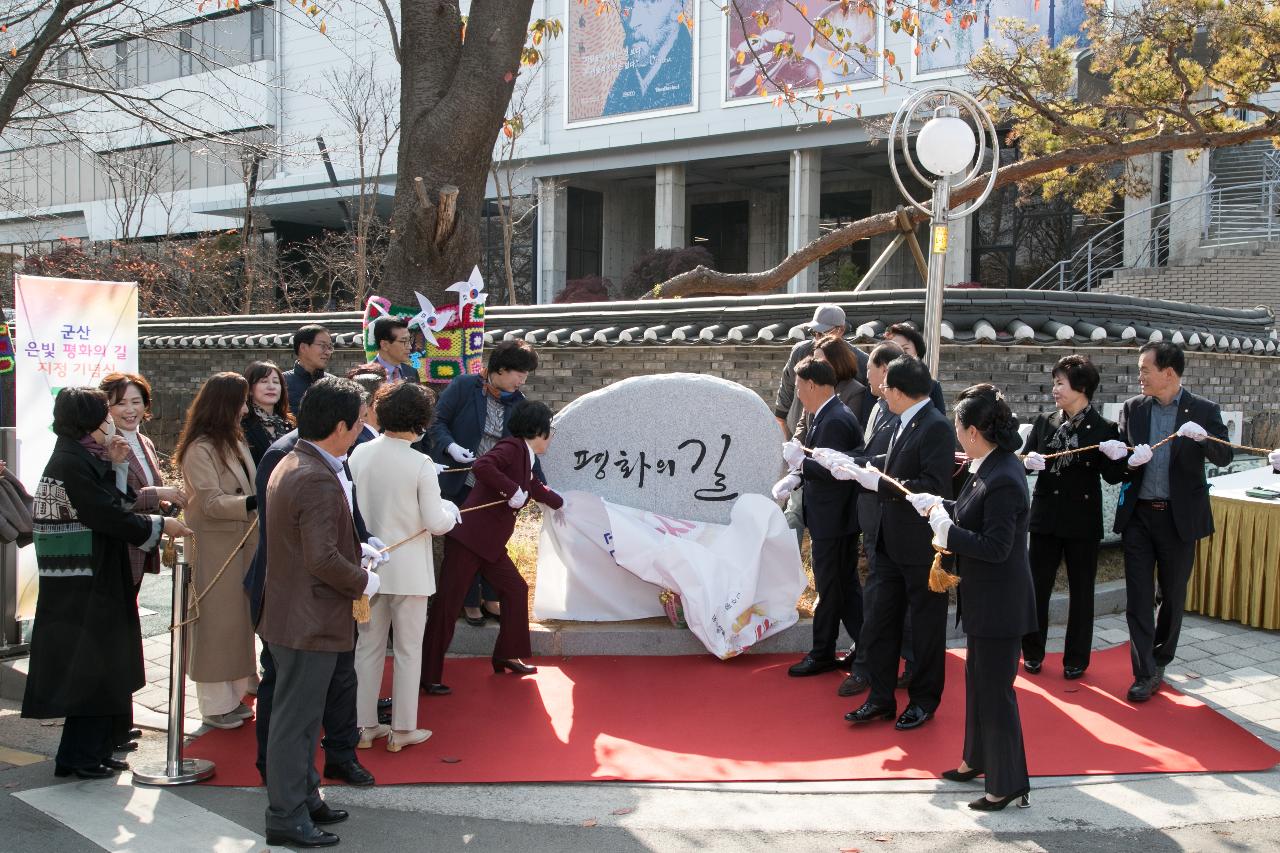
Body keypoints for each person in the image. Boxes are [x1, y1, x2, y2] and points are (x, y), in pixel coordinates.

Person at [22, 388, 190, 779]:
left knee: (101, 667)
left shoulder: (78, 455)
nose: (112, 419)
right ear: (91, 421)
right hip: (83, 581)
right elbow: (109, 515)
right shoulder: (71, 460)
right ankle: (79, 756)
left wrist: (115, 465)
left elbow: (113, 504)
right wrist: (161, 525)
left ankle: (95, 750)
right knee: (91, 668)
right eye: (105, 413)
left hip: (89, 577)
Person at [245, 378, 383, 788]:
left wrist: (361, 544)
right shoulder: (300, 464)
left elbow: (329, 526)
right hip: (302, 607)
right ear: (340, 425)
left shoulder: (317, 459)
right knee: (293, 713)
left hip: (320, 603)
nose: (362, 431)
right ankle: (284, 797)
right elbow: (308, 549)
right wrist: (362, 579)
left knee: (333, 688)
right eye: (359, 422)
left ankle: (315, 782)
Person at [907, 384, 1036, 812]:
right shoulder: (988, 465)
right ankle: (975, 760)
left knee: (996, 691)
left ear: (974, 431)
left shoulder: (1004, 478)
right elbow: (970, 511)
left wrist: (947, 530)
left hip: (1001, 603)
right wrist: (938, 506)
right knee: (979, 685)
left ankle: (1008, 782)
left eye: (959, 427)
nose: (956, 434)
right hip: (985, 600)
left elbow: (996, 546)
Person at [1099, 342, 1232, 703]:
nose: (1139, 376)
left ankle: (1161, 657)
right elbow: (1117, 464)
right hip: (1140, 515)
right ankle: (1143, 672)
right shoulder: (1133, 409)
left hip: (1178, 519)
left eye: (1145, 369)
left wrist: (1204, 439)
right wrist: (1125, 459)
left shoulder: (1203, 410)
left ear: (1168, 373)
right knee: (1139, 598)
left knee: (1172, 595)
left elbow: (1225, 455)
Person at [836, 355, 954, 731]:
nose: (882, 392)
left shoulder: (935, 425)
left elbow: (933, 485)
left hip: (919, 546)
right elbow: (894, 463)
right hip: (889, 541)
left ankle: (923, 700)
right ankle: (881, 698)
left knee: (924, 627)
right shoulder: (902, 420)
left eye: (886, 386)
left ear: (900, 391)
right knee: (881, 621)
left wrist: (879, 482)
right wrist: (861, 467)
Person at [421, 401, 564, 693]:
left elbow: (533, 486)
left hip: (489, 544)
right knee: (448, 606)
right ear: (537, 431)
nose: (551, 436)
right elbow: (483, 465)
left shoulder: (526, 456)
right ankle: (427, 674)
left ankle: (506, 655)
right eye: (550, 430)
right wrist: (511, 490)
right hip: (469, 540)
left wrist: (563, 503)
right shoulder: (512, 448)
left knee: (515, 589)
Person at [349, 382, 461, 750]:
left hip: (367, 567)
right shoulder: (420, 463)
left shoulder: (358, 454)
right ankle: (403, 728)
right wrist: (451, 511)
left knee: (367, 647)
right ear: (421, 420)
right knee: (409, 650)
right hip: (410, 570)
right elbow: (435, 521)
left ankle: (364, 726)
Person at [1019, 355, 1126, 679]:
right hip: (1045, 517)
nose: (1055, 389)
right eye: (1054, 382)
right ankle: (1032, 651)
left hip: (1081, 520)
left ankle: (1076, 658)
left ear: (1081, 387)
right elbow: (1025, 457)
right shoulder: (1044, 421)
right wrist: (1028, 461)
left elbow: (1113, 475)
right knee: (1037, 587)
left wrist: (1119, 456)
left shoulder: (1106, 429)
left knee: (1082, 591)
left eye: (1060, 383)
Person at [99, 372, 187, 751]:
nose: (131, 410)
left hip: (142, 543)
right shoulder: (103, 446)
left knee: (126, 634)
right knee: (115, 637)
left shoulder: (145, 441)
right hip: (118, 548)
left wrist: (166, 502)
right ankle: (113, 721)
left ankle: (122, 718)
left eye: (136, 402)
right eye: (121, 403)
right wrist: (161, 494)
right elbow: (115, 501)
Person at [428, 339, 541, 626]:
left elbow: (527, 448)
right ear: (500, 368)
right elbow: (437, 422)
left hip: (495, 487)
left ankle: (491, 598)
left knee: (493, 543)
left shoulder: (519, 403)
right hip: (460, 480)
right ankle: (468, 602)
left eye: (526, 375)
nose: (522, 380)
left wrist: (539, 487)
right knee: (463, 544)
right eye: (519, 373)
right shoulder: (464, 387)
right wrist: (450, 446)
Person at [828, 343, 915, 698]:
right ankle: (884, 658)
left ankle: (885, 663)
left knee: (888, 593)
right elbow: (869, 452)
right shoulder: (877, 405)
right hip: (870, 512)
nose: (866, 374)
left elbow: (891, 458)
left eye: (872, 369)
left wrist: (851, 462)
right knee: (881, 590)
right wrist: (848, 459)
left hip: (890, 514)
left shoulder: (902, 412)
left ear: (887, 371)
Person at [176, 372, 259, 730]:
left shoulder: (233, 441)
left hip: (240, 544)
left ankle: (234, 695)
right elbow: (209, 502)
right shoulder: (200, 448)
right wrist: (254, 502)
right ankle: (214, 704)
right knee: (215, 625)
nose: (245, 408)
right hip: (214, 547)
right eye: (241, 401)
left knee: (238, 622)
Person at [774, 357, 864, 677]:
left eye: (798, 387)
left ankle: (823, 652)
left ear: (812, 385)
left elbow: (835, 470)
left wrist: (802, 465)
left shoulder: (835, 419)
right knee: (844, 588)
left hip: (835, 520)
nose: (797, 393)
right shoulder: (826, 414)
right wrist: (798, 473)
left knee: (831, 588)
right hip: (832, 518)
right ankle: (866, 648)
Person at [603, 0, 694, 116]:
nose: (632, 23)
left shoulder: (692, 77)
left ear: (677, 6)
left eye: (649, 2)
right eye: (627, 2)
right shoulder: (619, 92)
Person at [883, 322, 946, 413]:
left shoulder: (932, 386)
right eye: (895, 349)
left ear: (917, 351)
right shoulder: (879, 385)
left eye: (906, 349)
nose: (901, 354)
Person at [242, 361, 296, 465]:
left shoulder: (291, 424)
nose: (271, 387)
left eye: (276, 382)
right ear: (250, 389)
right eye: (264, 381)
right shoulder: (242, 424)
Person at [285, 324, 335, 410]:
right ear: (303, 347)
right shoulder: (282, 383)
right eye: (322, 346)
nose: (328, 352)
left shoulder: (335, 384)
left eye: (330, 347)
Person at [346, 363, 389, 445]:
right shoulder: (361, 443)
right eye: (386, 397)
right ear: (375, 403)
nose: (391, 402)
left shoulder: (371, 437)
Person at [371, 316, 421, 383]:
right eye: (403, 341)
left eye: (409, 340)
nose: (410, 347)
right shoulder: (365, 375)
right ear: (384, 345)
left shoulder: (411, 372)